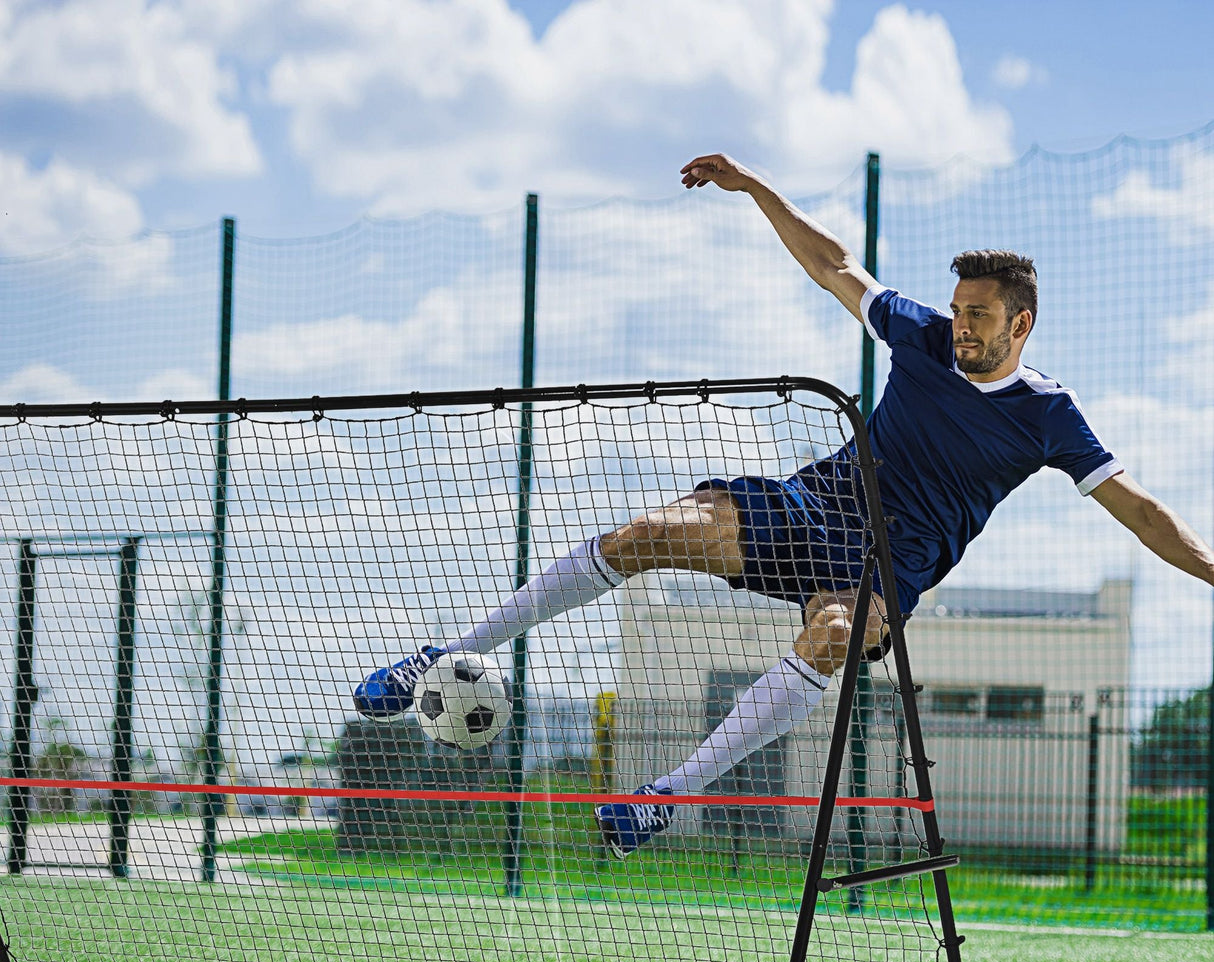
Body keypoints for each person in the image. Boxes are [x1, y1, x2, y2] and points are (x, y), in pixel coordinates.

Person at [354, 152, 1214, 859]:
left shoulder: (1050, 415)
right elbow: (835, 265)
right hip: (818, 499)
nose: (960, 326)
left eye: (979, 315)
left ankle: (665, 798)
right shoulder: (921, 340)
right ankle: (441, 654)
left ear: (1020, 325)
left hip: (893, 561)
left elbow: (1139, 510)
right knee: (644, 533)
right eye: (957, 310)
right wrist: (754, 185)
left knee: (836, 637)